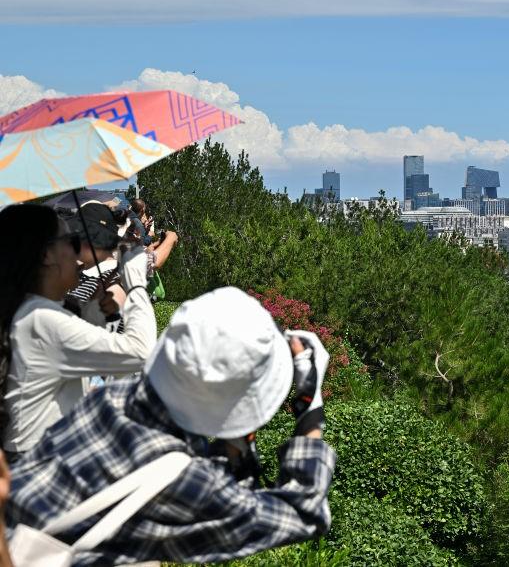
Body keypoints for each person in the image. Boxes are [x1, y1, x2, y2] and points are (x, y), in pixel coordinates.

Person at [4, 287, 336, 565]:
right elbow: (303, 512)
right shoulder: (183, 482)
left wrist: (232, 424)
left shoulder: (109, 399)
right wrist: (310, 406)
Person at [0, 204, 156, 459]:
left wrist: (94, 312)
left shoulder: (31, 310)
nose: (78, 250)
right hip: (38, 463)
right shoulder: (42, 319)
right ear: (46, 256)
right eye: (71, 241)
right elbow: (141, 352)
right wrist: (136, 283)